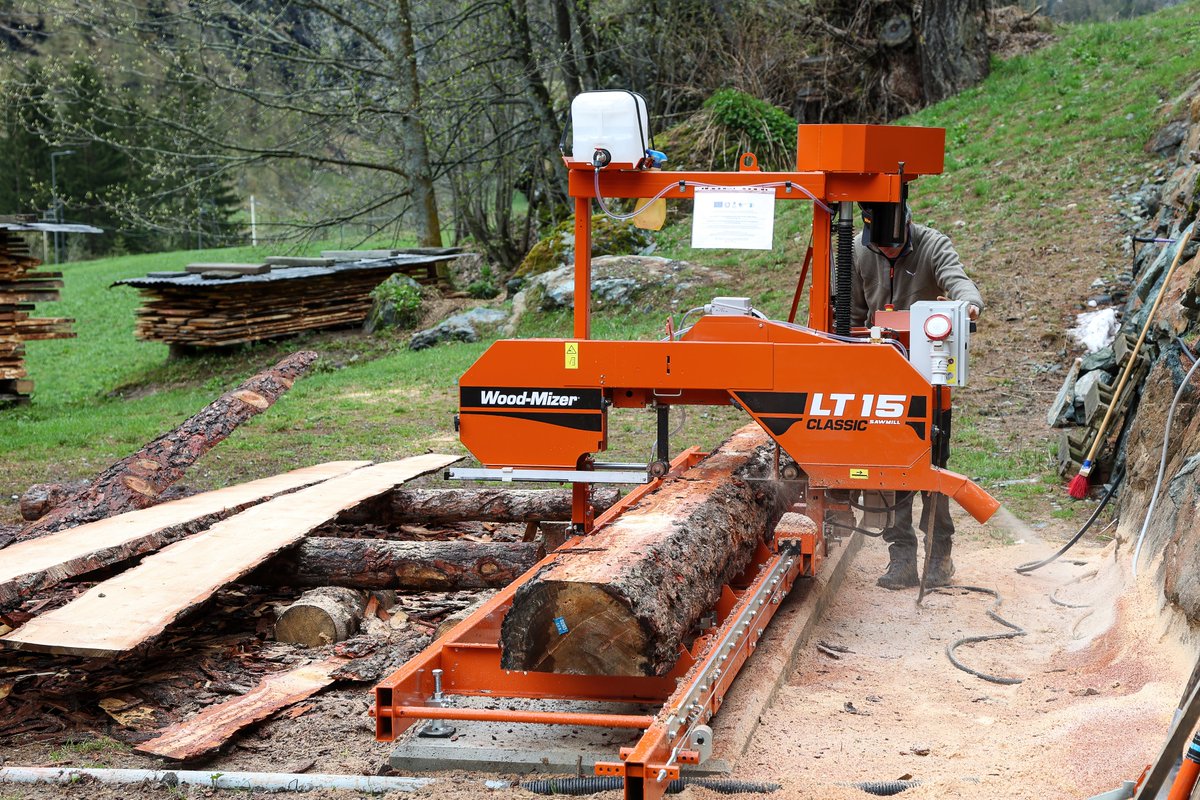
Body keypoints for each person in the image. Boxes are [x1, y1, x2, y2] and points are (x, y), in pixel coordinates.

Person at [851, 203, 983, 591]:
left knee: (933, 473)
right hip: (881, 380)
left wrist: (968, 305)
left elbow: (958, 281)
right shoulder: (860, 251)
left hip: (928, 380)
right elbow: (851, 313)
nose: (888, 254)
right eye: (882, 249)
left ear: (907, 224)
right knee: (892, 474)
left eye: (894, 248)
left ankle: (939, 558)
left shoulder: (931, 245)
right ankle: (902, 560)